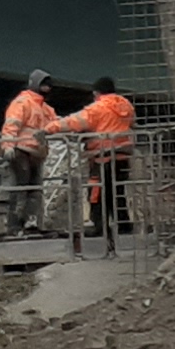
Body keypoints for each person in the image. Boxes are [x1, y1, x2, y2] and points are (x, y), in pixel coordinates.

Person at [0, 72, 62, 235]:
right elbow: (11, 125)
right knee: (21, 189)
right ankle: (15, 226)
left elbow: (57, 124)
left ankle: (30, 223)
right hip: (21, 151)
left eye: (48, 86)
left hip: (36, 154)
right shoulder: (22, 102)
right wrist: (8, 146)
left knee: (34, 191)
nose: (47, 88)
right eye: (44, 85)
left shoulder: (45, 108)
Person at [71, 77, 136, 240]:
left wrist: (50, 128)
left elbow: (77, 124)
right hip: (122, 156)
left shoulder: (97, 108)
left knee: (96, 193)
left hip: (102, 158)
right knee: (117, 192)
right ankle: (124, 225)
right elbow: (132, 123)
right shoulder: (126, 106)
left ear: (97, 92)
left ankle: (99, 226)